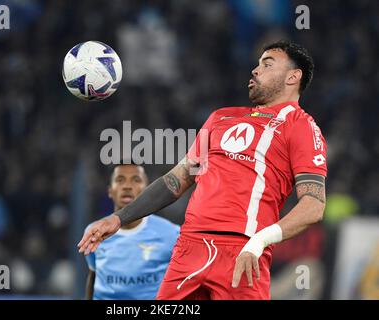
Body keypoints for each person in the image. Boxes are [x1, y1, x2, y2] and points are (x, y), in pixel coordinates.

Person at [78, 40, 327, 300]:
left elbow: (313, 206)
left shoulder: (300, 126)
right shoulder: (221, 117)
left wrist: (260, 241)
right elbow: (177, 180)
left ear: (293, 77)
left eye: (267, 64)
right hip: (189, 249)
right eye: (257, 64)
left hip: (242, 251)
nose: (255, 70)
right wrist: (119, 219)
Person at [84, 163, 180, 300]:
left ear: (148, 190)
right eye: (120, 180)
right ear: (110, 191)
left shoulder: (171, 234)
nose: (127, 186)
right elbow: (93, 275)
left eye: (136, 180)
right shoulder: (94, 231)